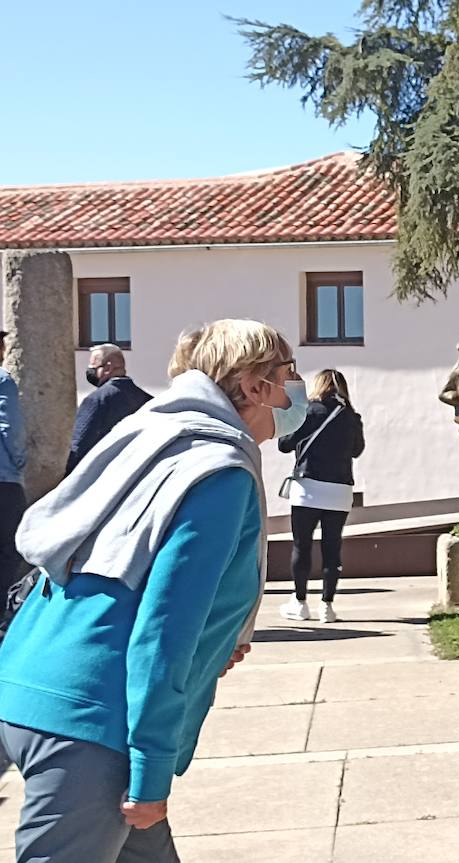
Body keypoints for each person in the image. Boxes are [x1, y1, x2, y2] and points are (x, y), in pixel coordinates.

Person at [0, 319, 308, 861]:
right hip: (92, 721)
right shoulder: (219, 471)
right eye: (289, 373)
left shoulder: (154, 436)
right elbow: (163, 632)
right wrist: (150, 774)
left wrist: (221, 642)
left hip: (31, 680)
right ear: (256, 386)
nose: (298, 387)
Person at [277, 369, 365, 623]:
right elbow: (357, 450)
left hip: (308, 489)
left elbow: (284, 444)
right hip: (339, 491)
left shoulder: (308, 412)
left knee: (302, 546)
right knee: (332, 547)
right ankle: (327, 606)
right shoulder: (350, 416)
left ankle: (300, 602)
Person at [67, 344, 153, 475]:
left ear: (108, 367)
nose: (90, 371)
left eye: (93, 367)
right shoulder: (148, 400)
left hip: (103, 477)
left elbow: (79, 446)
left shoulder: (96, 400)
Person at [0, 330, 26, 593]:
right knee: (9, 549)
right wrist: (20, 462)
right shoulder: (3, 380)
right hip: (4, 480)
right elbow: (10, 427)